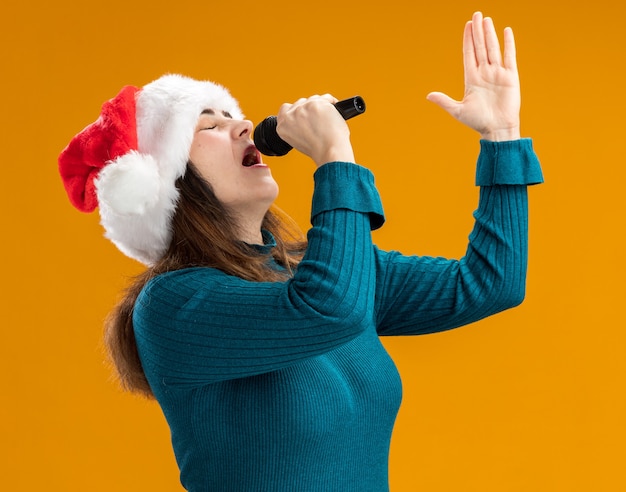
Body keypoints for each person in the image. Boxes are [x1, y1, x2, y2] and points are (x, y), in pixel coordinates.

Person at [58, 11, 543, 492]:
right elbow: (331, 309)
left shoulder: (313, 268)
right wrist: (335, 158)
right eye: (209, 126)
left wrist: (501, 137)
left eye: (234, 115)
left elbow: (489, 284)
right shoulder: (173, 305)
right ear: (171, 184)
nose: (244, 125)